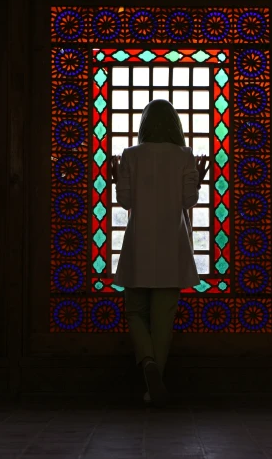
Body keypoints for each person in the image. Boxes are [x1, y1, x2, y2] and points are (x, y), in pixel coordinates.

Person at [109, 99, 210, 408]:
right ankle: (155, 387)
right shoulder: (184, 155)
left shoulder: (130, 155)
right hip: (173, 245)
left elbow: (125, 203)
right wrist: (199, 176)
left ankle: (148, 363)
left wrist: (117, 177)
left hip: (139, 243)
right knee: (163, 320)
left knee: (135, 311)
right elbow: (189, 201)